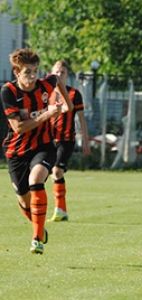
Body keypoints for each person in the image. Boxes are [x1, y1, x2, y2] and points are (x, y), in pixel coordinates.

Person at [0, 48, 73, 254]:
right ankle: (39, 227)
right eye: (27, 73)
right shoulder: (8, 92)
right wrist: (47, 114)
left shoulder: (44, 84)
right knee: (24, 200)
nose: (32, 77)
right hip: (16, 151)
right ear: (16, 73)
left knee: (36, 180)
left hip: (44, 146)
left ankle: (36, 239)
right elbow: (18, 127)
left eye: (34, 71)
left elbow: (57, 80)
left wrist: (67, 105)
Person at [48, 60, 91, 222]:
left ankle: (60, 209)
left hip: (66, 140)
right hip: (48, 140)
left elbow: (81, 119)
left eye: (62, 72)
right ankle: (61, 210)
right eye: (57, 72)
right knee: (45, 173)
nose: (59, 75)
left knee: (57, 171)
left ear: (67, 75)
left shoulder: (74, 94)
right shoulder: (47, 94)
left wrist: (86, 141)